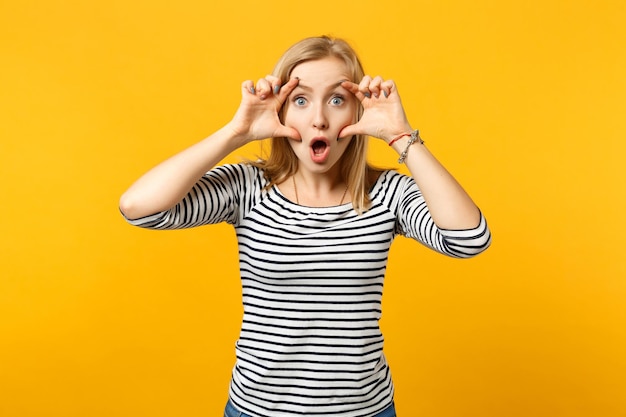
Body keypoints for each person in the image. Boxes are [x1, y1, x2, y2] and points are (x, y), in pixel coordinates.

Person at [120, 35, 491, 417]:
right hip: (257, 410)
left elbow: (469, 238)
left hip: (365, 410)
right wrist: (236, 132)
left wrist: (400, 137)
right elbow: (139, 207)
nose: (319, 118)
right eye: (300, 100)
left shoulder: (385, 195)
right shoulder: (250, 189)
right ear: (281, 112)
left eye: (336, 99)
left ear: (357, 113)